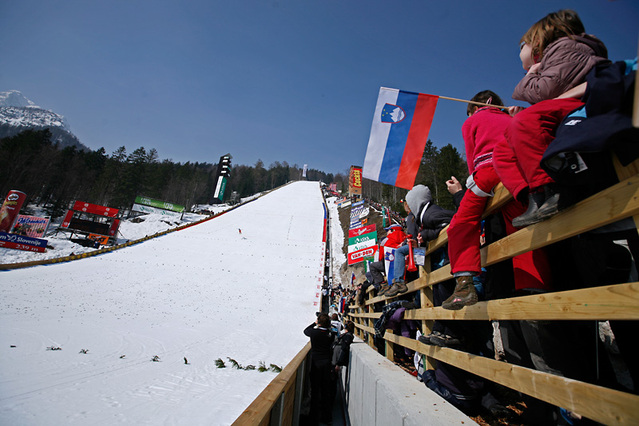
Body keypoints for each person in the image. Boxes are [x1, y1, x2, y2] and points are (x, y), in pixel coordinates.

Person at [493, 9, 609, 227]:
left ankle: (552, 187)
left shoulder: (568, 47)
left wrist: (529, 76)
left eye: (522, 46)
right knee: (501, 150)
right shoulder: (559, 54)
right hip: (563, 106)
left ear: (537, 41)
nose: (520, 52)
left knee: (525, 121)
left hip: (584, 102)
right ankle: (533, 197)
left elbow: (547, 90)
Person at [386, 185, 454, 297]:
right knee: (433, 283)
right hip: (433, 250)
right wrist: (420, 240)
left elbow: (450, 222)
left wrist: (422, 236)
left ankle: (399, 282)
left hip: (444, 254)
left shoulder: (427, 214)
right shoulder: (421, 215)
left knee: (433, 281)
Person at [303, 314, 335, 424]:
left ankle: (313, 418)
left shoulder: (314, 333)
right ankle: (327, 417)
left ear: (319, 322)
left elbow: (306, 330)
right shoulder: (330, 334)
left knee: (315, 391)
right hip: (326, 364)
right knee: (326, 391)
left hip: (316, 364)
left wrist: (315, 323)